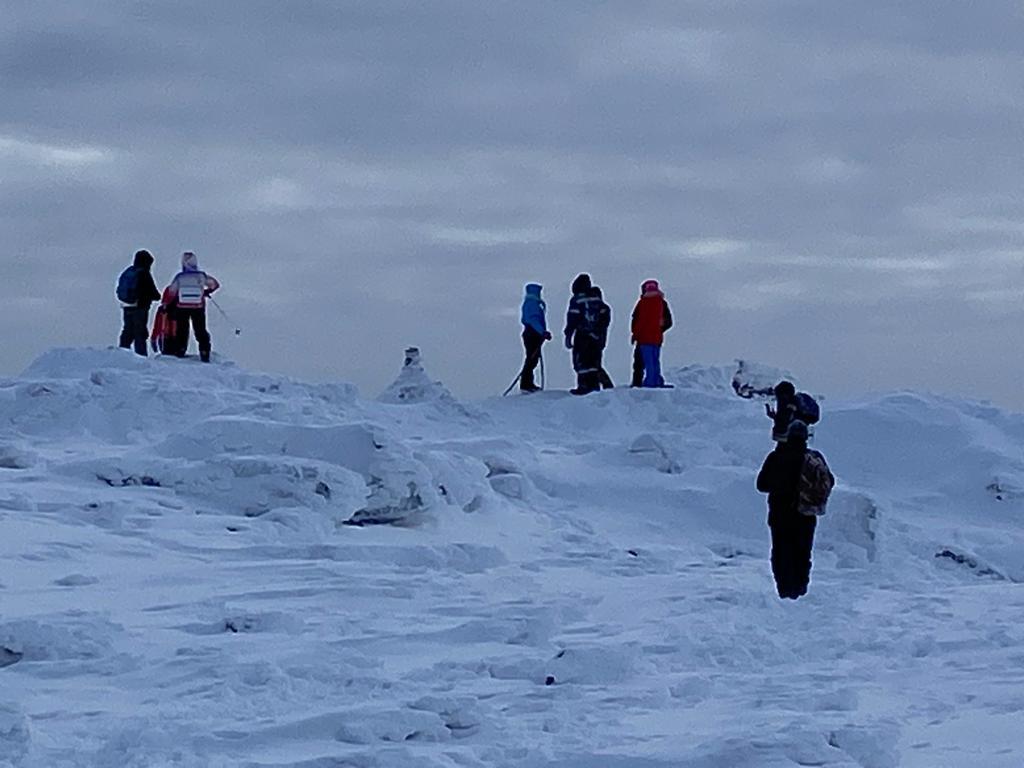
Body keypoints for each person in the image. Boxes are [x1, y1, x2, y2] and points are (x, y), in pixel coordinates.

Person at [756, 420, 833, 599]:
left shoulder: (777, 457)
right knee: (802, 552)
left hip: (780, 514)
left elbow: (761, 485)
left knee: (782, 552)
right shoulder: (814, 458)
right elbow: (830, 481)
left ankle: (784, 590)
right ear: (806, 438)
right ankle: (800, 591)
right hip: (806, 514)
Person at [165, 251, 220, 362]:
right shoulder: (201, 276)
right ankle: (204, 352)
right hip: (198, 307)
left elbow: (171, 291)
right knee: (200, 330)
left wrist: (167, 303)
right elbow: (215, 284)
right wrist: (206, 292)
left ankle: (180, 350)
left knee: (182, 330)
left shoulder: (180, 277)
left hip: (181, 307)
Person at [563, 274, 604, 396]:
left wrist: (568, 334)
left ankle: (583, 385)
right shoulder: (596, 299)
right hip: (596, 336)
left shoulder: (577, 300)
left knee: (581, 361)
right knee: (593, 361)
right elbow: (605, 314)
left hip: (582, 335)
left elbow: (572, 318)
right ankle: (594, 385)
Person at [116, 249, 162, 357]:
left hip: (127, 305)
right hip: (140, 307)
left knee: (127, 330)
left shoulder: (129, 271)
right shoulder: (144, 273)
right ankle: (141, 356)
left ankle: (122, 353)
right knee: (140, 332)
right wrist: (158, 297)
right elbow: (152, 291)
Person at [630, 279, 673, 388]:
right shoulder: (662, 303)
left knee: (642, 361)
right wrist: (660, 329)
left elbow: (638, 321)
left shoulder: (643, 303)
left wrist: (635, 335)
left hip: (643, 338)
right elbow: (669, 322)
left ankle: (645, 382)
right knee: (655, 360)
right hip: (657, 337)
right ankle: (656, 380)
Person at [519, 283, 552, 392]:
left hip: (531, 333)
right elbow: (534, 320)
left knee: (532, 358)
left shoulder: (529, 303)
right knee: (532, 358)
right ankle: (526, 384)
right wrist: (542, 332)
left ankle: (527, 383)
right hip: (532, 333)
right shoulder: (533, 304)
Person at [589, 286, 614, 389]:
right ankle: (601, 384)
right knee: (594, 362)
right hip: (600, 339)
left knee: (595, 363)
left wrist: (594, 333)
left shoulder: (602, 308)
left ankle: (605, 384)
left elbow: (603, 323)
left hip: (597, 339)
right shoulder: (603, 308)